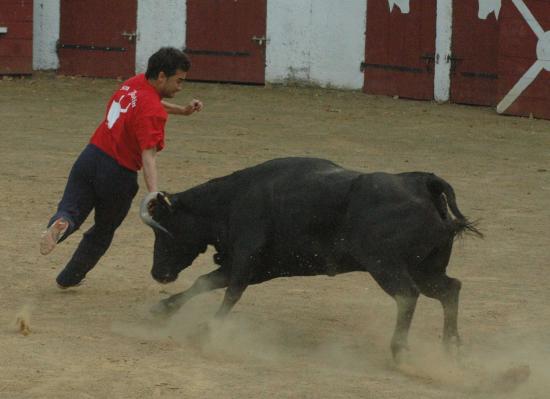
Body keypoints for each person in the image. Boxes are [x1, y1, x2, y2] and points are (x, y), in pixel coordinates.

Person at [40, 47, 203, 288]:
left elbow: (150, 101)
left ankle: (61, 224)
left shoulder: (134, 82)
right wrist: (154, 193)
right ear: (161, 76)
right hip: (118, 174)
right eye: (178, 81)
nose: (180, 88)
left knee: (70, 209)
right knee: (103, 230)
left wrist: (183, 111)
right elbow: (148, 156)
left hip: (90, 157)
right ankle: (69, 278)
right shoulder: (154, 113)